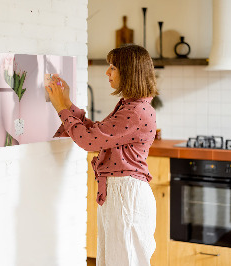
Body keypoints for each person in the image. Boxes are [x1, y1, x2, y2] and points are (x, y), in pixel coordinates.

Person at [46, 44, 158, 266]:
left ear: (129, 72)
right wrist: (67, 103)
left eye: (113, 67)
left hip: (126, 195)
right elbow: (97, 133)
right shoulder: (131, 106)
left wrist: (61, 108)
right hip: (121, 193)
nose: (107, 72)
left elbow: (89, 141)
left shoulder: (135, 111)